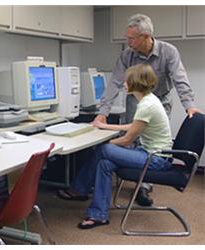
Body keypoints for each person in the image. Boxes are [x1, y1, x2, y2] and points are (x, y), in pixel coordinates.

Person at [58, 13, 202, 206]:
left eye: (131, 38)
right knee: (135, 141)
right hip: (137, 99)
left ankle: (143, 186)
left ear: (146, 36)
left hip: (160, 99)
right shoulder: (127, 55)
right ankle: (125, 178)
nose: (128, 42)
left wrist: (189, 105)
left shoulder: (168, 52)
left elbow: (180, 79)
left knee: (148, 142)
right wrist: (103, 114)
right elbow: (114, 83)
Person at [77, 64, 173, 229]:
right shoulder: (148, 100)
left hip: (156, 158)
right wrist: (105, 126)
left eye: (127, 81)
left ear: (136, 82)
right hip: (150, 153)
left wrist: (105, 143)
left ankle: (79, 189)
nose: (124, 84)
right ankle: (98, 215)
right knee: (104, 164)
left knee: (102, 150)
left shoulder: (146, 105)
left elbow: (127, 140)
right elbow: (132, 126)